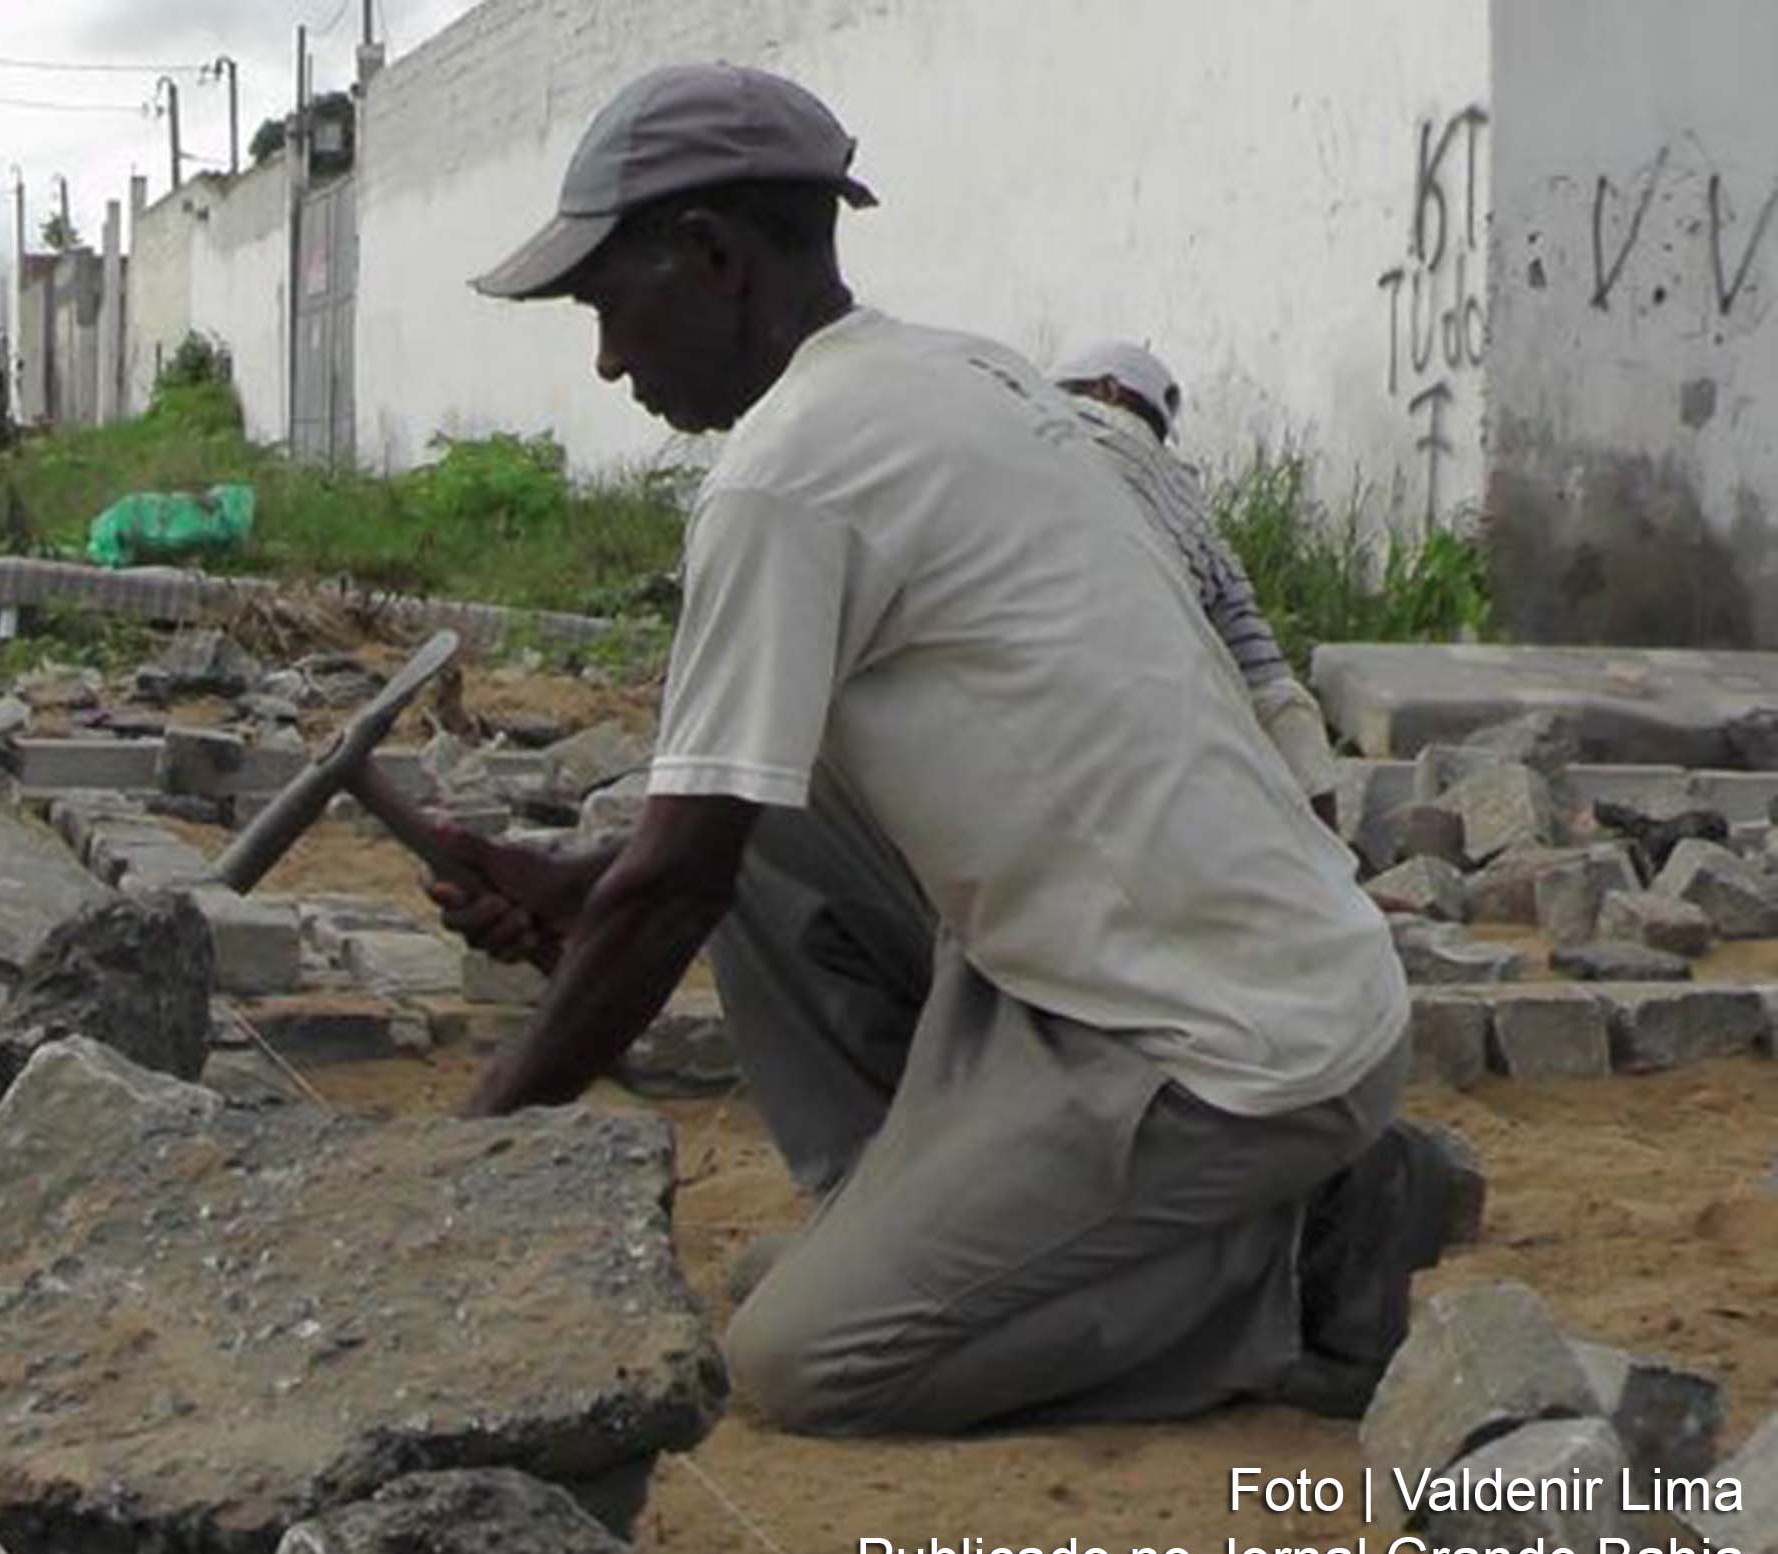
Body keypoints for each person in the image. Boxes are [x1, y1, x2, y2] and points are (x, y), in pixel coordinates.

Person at [426, 63, 1445, 1436]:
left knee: (800, 1362)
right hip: (1261, 972)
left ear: (716, 258)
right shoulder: (959, 372)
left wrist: (453, 1177)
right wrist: (587, 880)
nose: (609, 360)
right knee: (760, 813)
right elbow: (709, 842)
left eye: (611, 305)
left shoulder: (783, 478)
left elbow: (677, 893)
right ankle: (914, 1228)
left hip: (1227, 1057)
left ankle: (1298, 1270)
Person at [1051, 340, 1341, 825]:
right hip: (1163, 723)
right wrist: (1333, 853)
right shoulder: (1191, 507)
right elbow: (1272, 684)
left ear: (1107, 390)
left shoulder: (1052, 426)